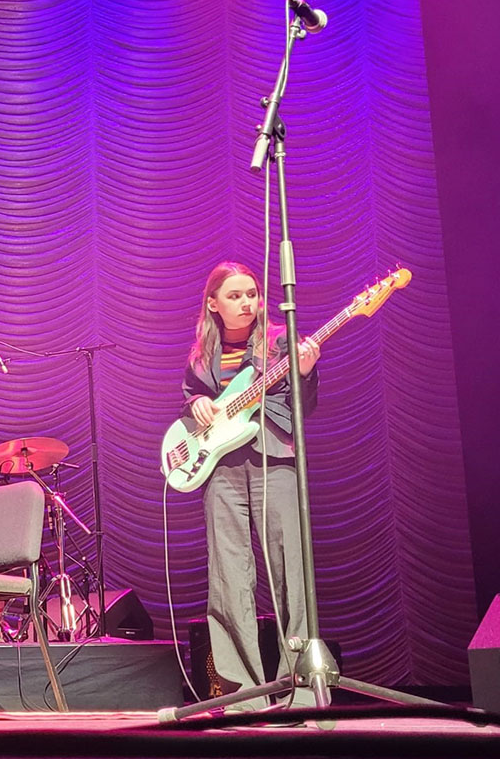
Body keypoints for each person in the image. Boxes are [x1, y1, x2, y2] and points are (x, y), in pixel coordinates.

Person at [182, 261, 320, 711]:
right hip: (222, 472)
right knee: (228, 581)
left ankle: (300, 688)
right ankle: (243, 693)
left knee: (290, 576)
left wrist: (303, 373)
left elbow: (304, 407)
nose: (248, 303)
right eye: (236, 295)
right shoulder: (202, 355)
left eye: (252, 294)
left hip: (274, 462)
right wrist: (200, 403)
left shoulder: (280, 342)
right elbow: (194, 405)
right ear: (213, 304)